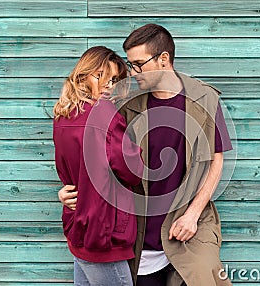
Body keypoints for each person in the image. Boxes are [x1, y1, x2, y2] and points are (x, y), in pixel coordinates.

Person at [59, 25, 233, 286]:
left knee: (205, 277)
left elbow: (216, 160)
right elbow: (88, 153)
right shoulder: (123, 102)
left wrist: (193, 214)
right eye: (130, 65)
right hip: (135, 231)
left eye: (138, 64)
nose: (132, 73)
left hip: (186, 223)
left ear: (163, 59)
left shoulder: (205, 98)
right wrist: (68, 191)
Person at [53, 46, 144, 286]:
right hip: (104, 234)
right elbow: (133, 171)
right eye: (101, 76)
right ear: (83, 75)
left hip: (79, 227)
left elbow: (68, 172)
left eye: (114, 79)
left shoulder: (63, 115)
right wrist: (138, 149)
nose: (109, 86)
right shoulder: (104, 114)